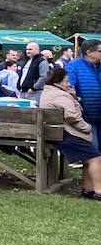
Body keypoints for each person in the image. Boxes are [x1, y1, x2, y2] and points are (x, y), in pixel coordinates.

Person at [40, 66, 101, 199]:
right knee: (95, 158)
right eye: (66, 81)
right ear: (57, 82)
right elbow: (72, 117)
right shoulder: (60, 95)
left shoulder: (49, 92)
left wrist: (72, 97)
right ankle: (98, 191)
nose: (68, 84)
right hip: (66, 134)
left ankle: (88, 189)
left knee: (88, 159)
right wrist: (87, 127)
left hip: (55, 132)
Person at [65, 39, 101, 151]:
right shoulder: (73, 66)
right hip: (86, 117)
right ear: (89, 52)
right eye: (100, 51)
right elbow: (68, 87)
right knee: (93, 152)